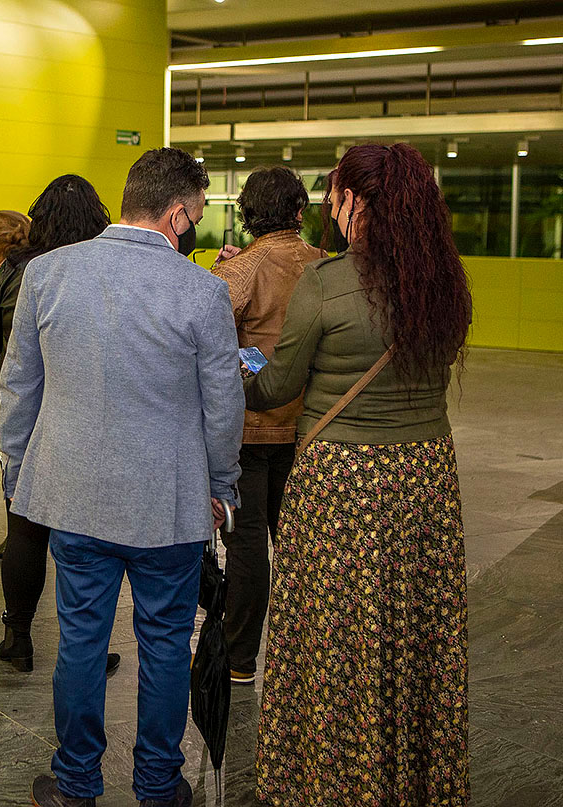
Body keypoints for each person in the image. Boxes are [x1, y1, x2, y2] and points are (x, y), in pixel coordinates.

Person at [0, 149, 243, 807]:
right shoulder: (203, 291)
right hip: (170, 503)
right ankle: (159, 785)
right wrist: (223, 487)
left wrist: (17, 472)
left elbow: (19, 386)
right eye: (196, 216)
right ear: (177, 214)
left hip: (74, 496)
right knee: (165, 645)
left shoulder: (47, 274)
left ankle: (76, 782)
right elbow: (223, 406)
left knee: (81, 640)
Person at [249, 143, 471, 807]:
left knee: (337, 634)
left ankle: (334, 778)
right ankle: (415, 779)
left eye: (335, 196)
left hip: (344, 481)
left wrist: (236, 371)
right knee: (418, 629)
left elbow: (279, 386)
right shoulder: (445, 280)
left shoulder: (326, 281)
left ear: (353, 202)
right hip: (427, 474)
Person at [0, 176, 120, 679]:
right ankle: (91, 643)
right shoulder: (107, 268)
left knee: (24, 527)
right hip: (87, 414)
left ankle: (18, 637)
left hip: (26, 410)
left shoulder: (20, 268)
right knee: (89, 532)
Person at [209, 166, 326, 686]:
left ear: (248, 214)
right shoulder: (324, 266)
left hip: (250, 429)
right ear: (299, 211)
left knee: (248, 543)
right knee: (302, 544)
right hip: (311, 427)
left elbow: (213, 345)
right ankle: (310, 656)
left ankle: (240, 659)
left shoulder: (239, 271)